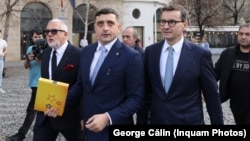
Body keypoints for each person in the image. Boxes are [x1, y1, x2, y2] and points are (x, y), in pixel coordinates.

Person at [46, 8, 144, 141]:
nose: (105, 28)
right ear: (94, 27)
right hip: (89, 128)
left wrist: (108, 117)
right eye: (100, 24)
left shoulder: (131, 57)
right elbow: (81, 85)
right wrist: (59, 104)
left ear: (118, 27)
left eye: (110, 23)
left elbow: (136, 99)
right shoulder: (86, 52)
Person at [137, 4, 223, 125]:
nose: (166, 26)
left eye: (172, 22)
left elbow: (212, 97)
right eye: (163, 22)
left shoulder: (200, 54)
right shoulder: (151, 52)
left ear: (185, 25)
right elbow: (145, 94)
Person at [32, 19, 83, 141]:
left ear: (65, 34)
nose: (49, 34)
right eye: (47, 31)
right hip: (45, 116)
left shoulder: (78, 54)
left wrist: (83, 115)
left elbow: (82, 85)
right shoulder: (46, 53)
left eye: (54, 31)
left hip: (70, 115)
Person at [6, 27, 44, 141]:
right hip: (34, 82)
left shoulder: (47, 48)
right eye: (35, 37)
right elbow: (26, 66)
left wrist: (41, 58)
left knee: (32, 110)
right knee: (39, 110)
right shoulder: (30, 49)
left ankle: (21, 135)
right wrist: (28, 58)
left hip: (43, 83)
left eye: (40, 37)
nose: (37, 39)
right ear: (32, 37)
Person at [214, 23, 250, 125]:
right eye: (241, 34)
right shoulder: (228, 54)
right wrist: (204, 87)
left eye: (247, 34)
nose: (244, 37)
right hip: (236, 104)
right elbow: (215, 73)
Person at [0, 29, 7, 94]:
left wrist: (3, 53)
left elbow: (6, 50)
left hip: (1, 59)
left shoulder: (3, 42)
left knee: (0, 74)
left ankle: (0, 87)